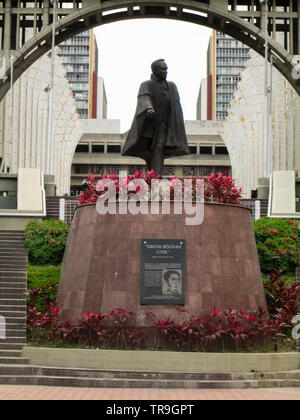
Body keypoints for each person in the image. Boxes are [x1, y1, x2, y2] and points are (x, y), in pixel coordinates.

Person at [122, 59, 190, 174]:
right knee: (153, 150)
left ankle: (154, 177)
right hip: (150, 124)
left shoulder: (172, 86)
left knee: (159, 148)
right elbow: (144, 98)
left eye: (166, 69)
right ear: (156, 70)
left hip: (165, 123)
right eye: (163, 69)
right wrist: (149, 108)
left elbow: (176, 105)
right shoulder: (147, 84)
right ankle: (153, 176)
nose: (166, 71)